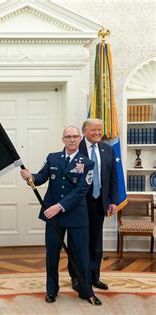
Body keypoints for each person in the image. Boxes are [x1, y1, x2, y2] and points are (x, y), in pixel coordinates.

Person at [20, 126, 101, 305]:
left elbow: (81, 190)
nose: (72, 140)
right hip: (54, 217)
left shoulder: (87, 163)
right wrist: (29, 176)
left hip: (76, 216)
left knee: (81, 255)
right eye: (68, 137)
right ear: (63, 139)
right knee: (52, 255)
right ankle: (51, 291)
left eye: (75, 136)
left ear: (80, 139)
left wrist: (59, 206)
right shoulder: (52, 158)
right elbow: (41, 177)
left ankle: (86, 291)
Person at [68, 118, 118, 291]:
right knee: (76, 242)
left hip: (99, 203)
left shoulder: (108, 150)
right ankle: (76, 278)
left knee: (96, 242)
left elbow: (113, 177)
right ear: (84, 132)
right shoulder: (75, 149)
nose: (98, 133)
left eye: (100, 130)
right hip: (79, 204)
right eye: (94, 130)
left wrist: (112, 200)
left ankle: (94, 277)